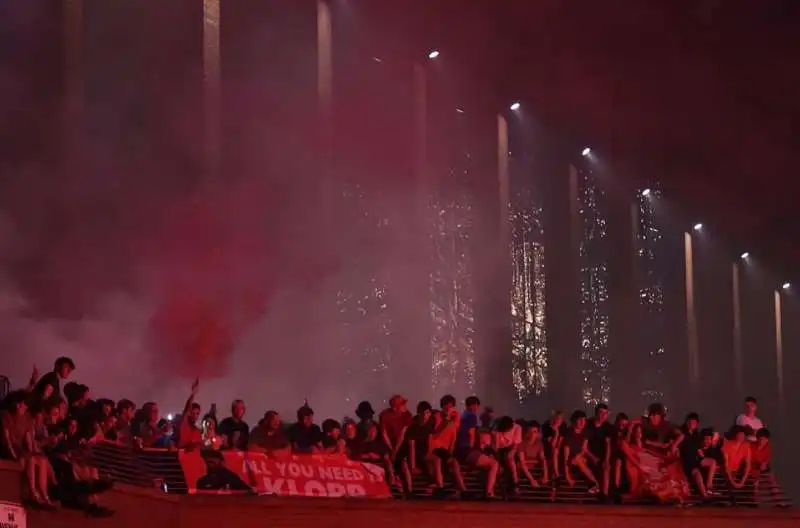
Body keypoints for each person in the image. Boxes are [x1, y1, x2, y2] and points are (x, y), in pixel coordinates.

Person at [1, 391, 55, 508]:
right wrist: (14, 456)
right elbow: (7, 439)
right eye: (18, 403)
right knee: (30, 459)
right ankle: (33, 494)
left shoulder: (27, 418)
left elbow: (28, 440)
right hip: (8, 449)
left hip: (21, 450)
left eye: (22, 404)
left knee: (42, 460)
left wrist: (34, 452)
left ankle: (45, 496)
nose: (19, 406)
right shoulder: (6, 415)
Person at [621, 424, 689, 505]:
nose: (638, 434)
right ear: (633, 433)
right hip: (644, 470)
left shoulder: (647, 446)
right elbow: (626, 449)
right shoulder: (632, 447)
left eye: (640, 432)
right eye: (636, 432)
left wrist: (666, 453)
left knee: (668, 480)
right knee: (652, 484)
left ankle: (672, 497)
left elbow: (659, 453)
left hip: (653, 468)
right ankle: (663, 497)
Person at [455, 396, 498, 498]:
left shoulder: (463, 415)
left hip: (460, 450)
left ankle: (459, 490)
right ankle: (489, 492)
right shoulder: (471, 416)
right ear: (474, 405)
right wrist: (472, 448)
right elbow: (471, 433)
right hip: (466, 450)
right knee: (494, 464)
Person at [379, 395, 413, 491]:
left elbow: (401, 436)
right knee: (387, 458)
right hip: (388, 443)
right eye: (402, 404)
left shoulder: (407, 415)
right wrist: (390, 449)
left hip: (401, 444)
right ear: (395, 408)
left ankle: (409, 490)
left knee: (403, 463)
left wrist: (395, 451)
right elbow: (384, 433)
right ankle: (392, 484)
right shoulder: (384, 415)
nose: (405, 406)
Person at [562, 410, 600, 494]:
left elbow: (584, 449)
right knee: (578, 459)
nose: (582, 422)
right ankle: (595, 483)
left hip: (580, 458)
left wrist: (593, 458)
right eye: (580, 420)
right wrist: (567, 476)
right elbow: (566, 455)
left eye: (584, 420)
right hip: (570, 460)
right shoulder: (569, 433)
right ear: (574, 421)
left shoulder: (585, 432)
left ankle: (594, 484)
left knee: (581, 459)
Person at [587, 403, 614, 496]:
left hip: (601, 456)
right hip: (588, 454)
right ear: (596, 413)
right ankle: (595, 486)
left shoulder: (608, 427)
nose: (603, 415)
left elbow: (608, 444)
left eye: (605, 413)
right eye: (601, 412)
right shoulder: (588, 425)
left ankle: (604, 494)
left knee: (606, 467)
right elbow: (584, 445)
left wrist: (606, 460)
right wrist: (592, 457)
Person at [493, 415, 523, 494]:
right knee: (499, 464)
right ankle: (499, 484)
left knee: (510, 459)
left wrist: (511, 453)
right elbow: (497, 447)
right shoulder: (497, 431)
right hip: (501, 449)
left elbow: (516, 444)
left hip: (513, 448)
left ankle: (515, 482)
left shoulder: (517, 428)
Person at [518, 421, 549, 488]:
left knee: (545, 461)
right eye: (531, 432)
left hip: (535, 468)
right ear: (527, 433)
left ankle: (545, 478)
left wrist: (545, 475)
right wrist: (534, 461)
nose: (532, 434)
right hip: (524, 469)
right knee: (522, 464)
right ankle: (532, 481)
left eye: (535, 432)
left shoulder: (539, 443)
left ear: (538, 433)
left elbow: (542, 458)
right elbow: (522, 461)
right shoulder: (522, 443)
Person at [723, 425, 752, 496]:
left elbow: (748, 465)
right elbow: (726, 466)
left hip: (737, 470)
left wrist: (743, 481)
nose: (742, 437)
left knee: (749, 480)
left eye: (743, 434)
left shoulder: (746, 446)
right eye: (740, 434)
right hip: (727, 471)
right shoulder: (727, 444)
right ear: (735, 435)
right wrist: (733, 482)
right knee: (730, 486)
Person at [177, 379, 203, 450]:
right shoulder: (184, 424)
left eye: (197, 413)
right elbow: (187, 408)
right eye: (192, 413)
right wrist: (193, 393)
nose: (195, 415)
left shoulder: (198, 431)